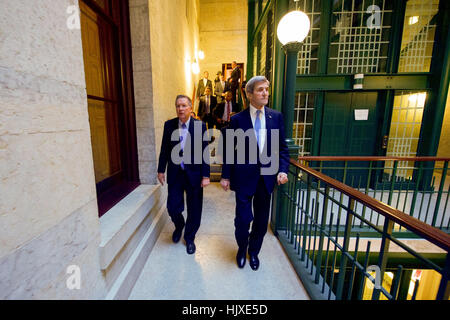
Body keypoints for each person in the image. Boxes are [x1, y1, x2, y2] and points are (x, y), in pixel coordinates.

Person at [219, 76, 289, 270]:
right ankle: (242, 249)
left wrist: (282, 170)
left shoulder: (276, 117)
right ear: (249, 94)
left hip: (266, 179)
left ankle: (254, 252)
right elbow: (229, 150)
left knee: (260, 222)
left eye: (266, 89)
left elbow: (282, 149)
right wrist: (225, 176)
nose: (265, 93)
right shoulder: (237, 120)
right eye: (260, 89)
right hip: (243, 178)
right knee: (242, 220)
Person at [157, 95, 210, 254]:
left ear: (190, 107)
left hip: (194, 174)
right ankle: (179, 225)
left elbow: (205, 152)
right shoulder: (169, 125)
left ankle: (189, 237)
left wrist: (206, 175)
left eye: (184, 106)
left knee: (194, 209)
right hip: (175, 174)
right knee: (173, 207)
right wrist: (161, 170)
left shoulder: (200, 126)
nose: (180, 108)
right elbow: (164, 150)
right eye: (178, 106)